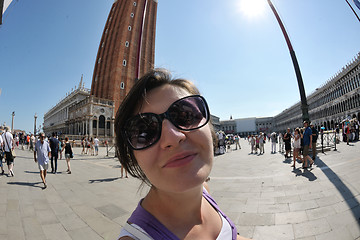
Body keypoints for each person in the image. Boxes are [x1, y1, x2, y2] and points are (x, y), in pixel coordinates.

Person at [115, 69, 248, 240]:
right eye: (145, 130)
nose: (173, 137)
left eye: (186, 116)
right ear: (132, 156)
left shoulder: (203, 192)